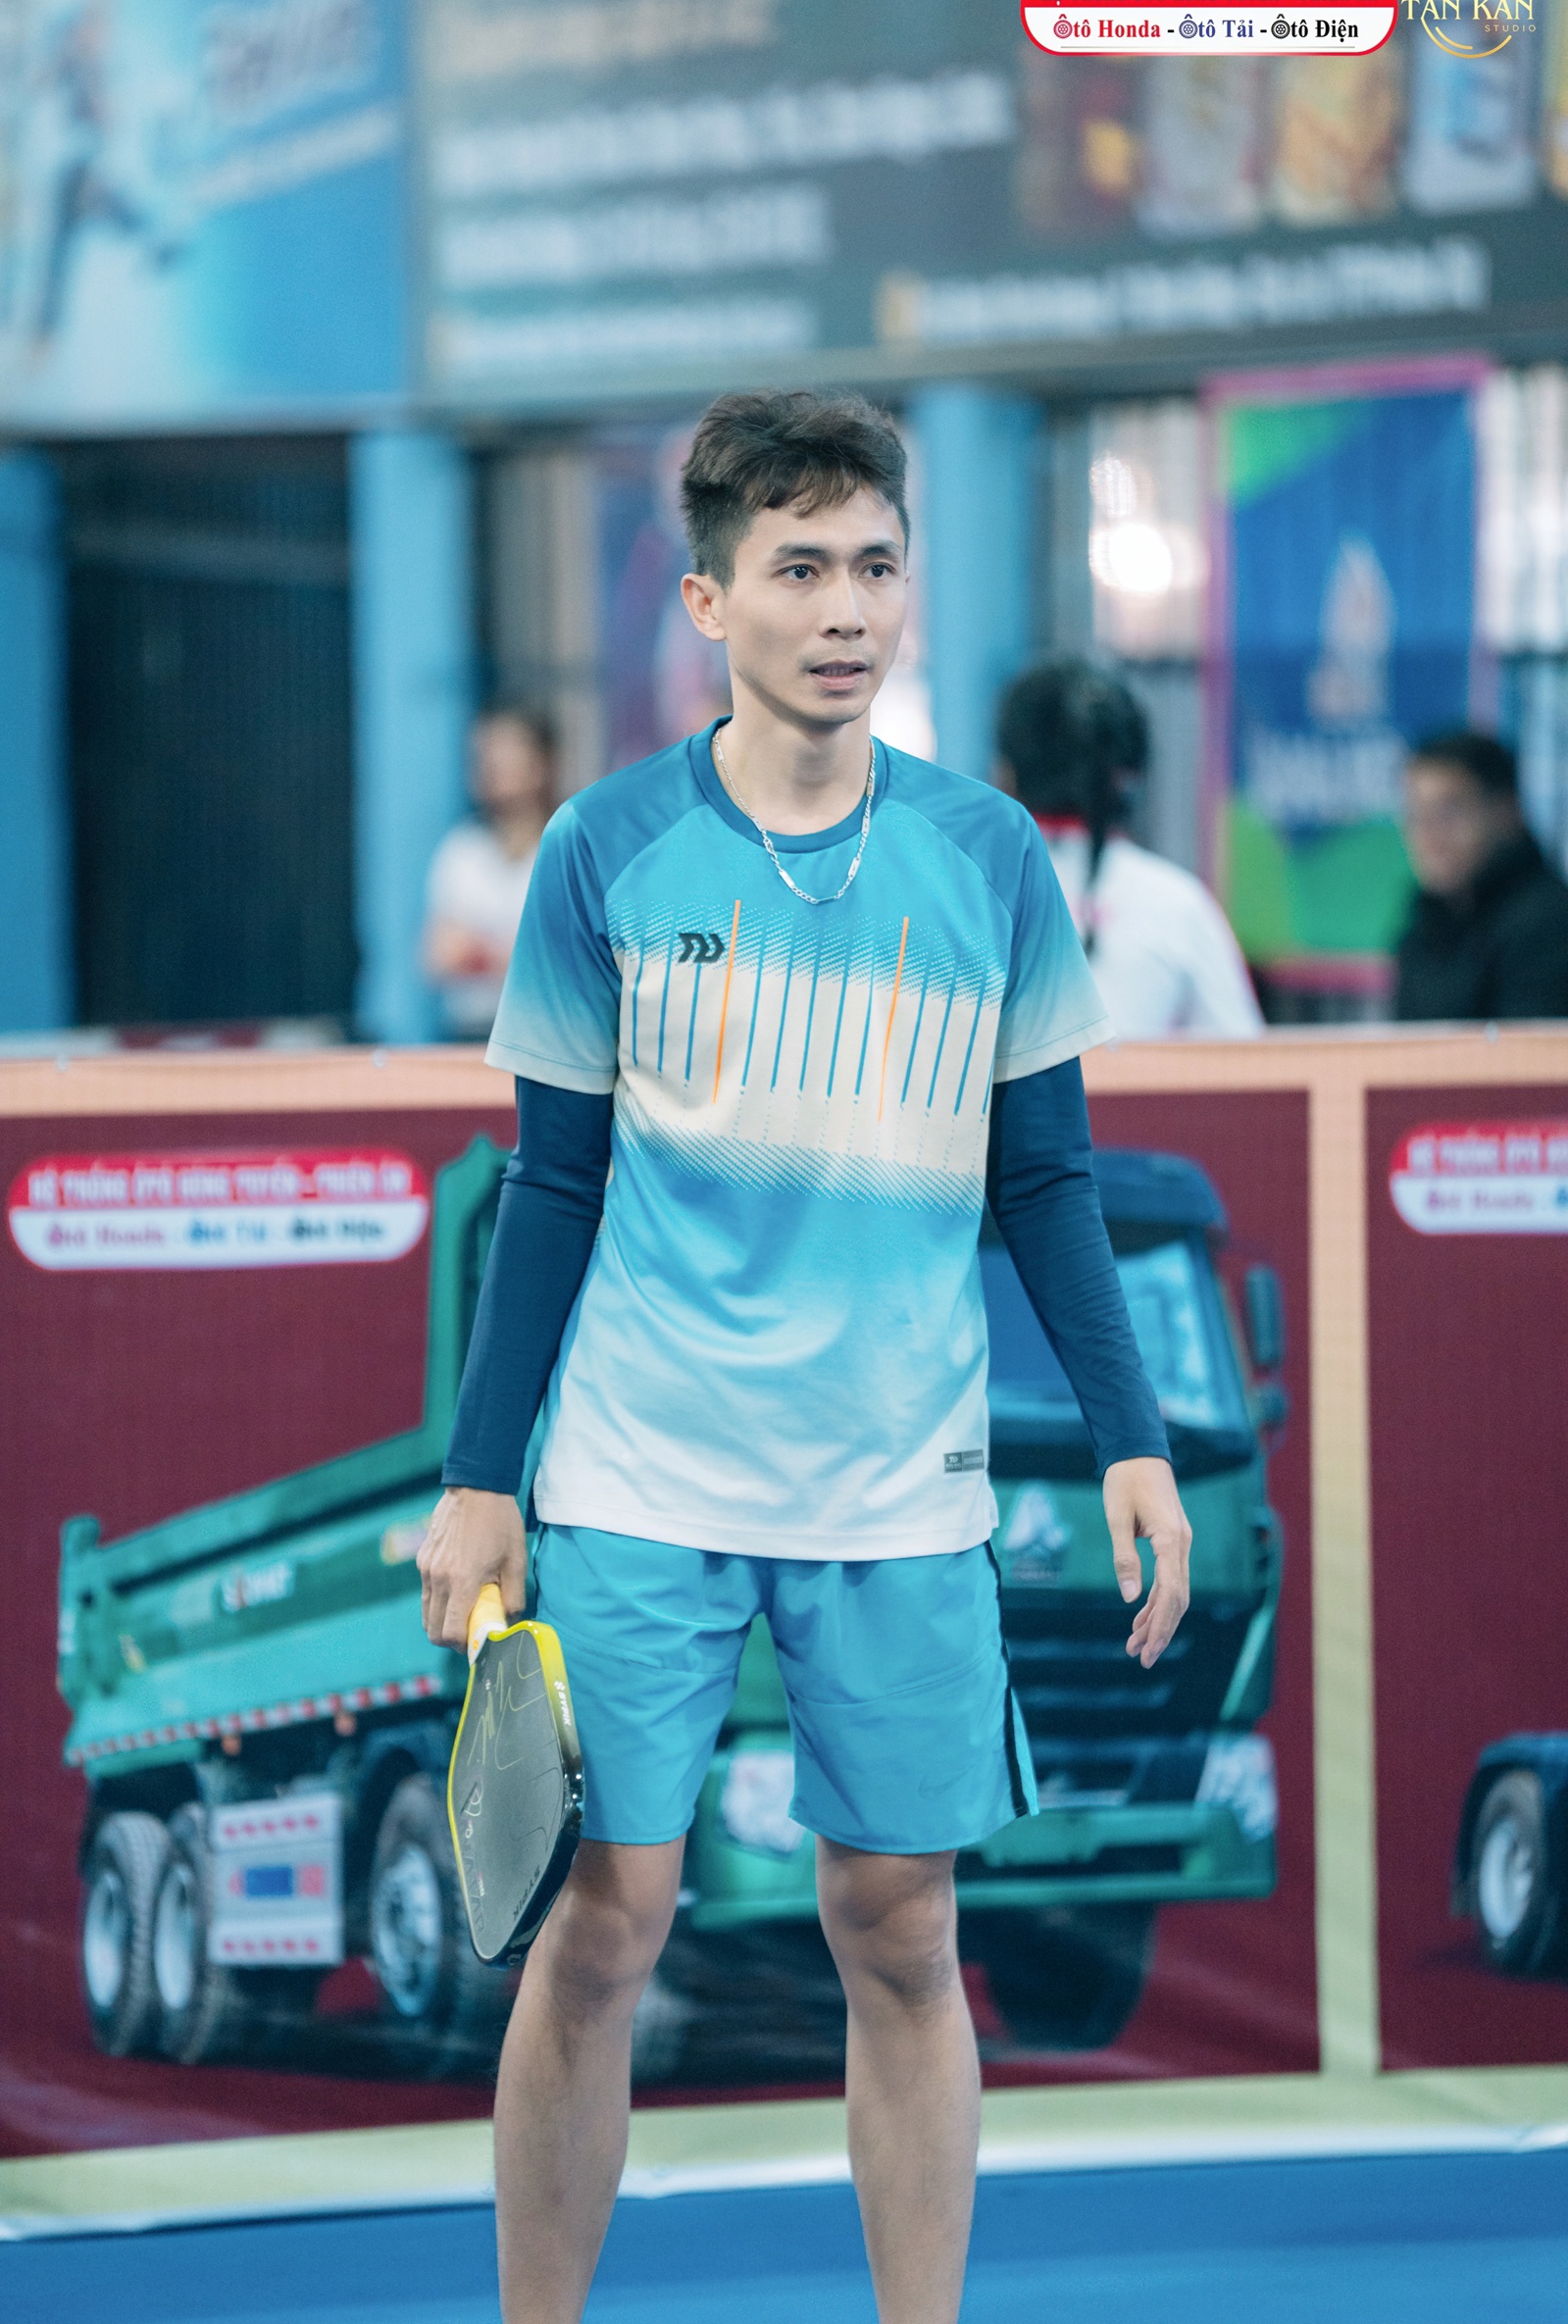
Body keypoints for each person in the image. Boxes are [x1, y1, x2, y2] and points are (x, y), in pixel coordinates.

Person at [416, 389, 1191, 2324]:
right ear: (706, 599)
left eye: (873, 566)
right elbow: (552, 1189)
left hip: (898, 1481)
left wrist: (1130, 1437)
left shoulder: (987, 858)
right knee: (607, 1924)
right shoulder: (601, 852)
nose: (844, 609)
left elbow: (1042, 1175)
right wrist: (479, 1477)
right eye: (797, 569)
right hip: (638, 1471)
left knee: (899, 1925)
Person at [996, 657, 1262, 1040]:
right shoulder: (1178, 907)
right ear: (1128, 777)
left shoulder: (957, 897)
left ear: (1005, 773)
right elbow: (1249, 1064)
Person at [1394, 727, 1568, 1022]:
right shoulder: (1425, 921)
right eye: (1415, 813)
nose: (1428, 833)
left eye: (1450, 812)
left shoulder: (1549, 922)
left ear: (1505, 811)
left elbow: (1529, 1047)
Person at [424, 706, 557, 1038]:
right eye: (485, 755)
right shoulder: (461, 852)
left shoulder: (568, 850)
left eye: (509, 752)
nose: (494, 765)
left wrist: (478, 950)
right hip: (469, 1034)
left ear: (542, 763)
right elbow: (437, 957)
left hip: (546, 1037)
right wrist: (514, 953)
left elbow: (568, 961)